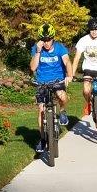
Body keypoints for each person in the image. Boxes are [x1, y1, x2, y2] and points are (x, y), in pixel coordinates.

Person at [30, 23, 73, 153]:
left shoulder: (60, 48)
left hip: (57, 80)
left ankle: (63, 111)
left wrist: (69, 75)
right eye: (43, 40)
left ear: (53, 38)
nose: (46, 43)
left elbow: (67, 61)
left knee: (62, 96)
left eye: (48, 39)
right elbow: (33, 67)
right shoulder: (36, 49)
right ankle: (43, 140)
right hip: (42, 81)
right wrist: (38, 51)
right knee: (41, 110)